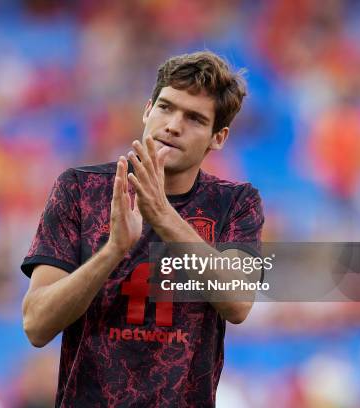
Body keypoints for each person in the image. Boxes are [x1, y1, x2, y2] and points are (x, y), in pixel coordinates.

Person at [21, 51, 264, 407]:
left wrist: (163, 216)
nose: (173, 125)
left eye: (195, 118)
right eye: (166, 107)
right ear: (147, 110)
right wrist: (112, 251)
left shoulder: (235, 203)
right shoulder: (80, 189)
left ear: (219, 137)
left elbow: (238, 303)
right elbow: (36, 324)